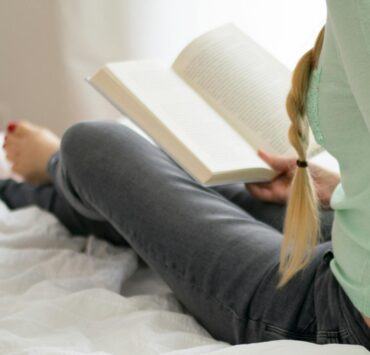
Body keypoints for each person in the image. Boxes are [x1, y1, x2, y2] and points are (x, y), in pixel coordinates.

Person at [1, 0, 369, 349]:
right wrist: (338, 188)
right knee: (201, 181)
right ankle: (56, 191)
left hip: (338, 309)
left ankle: (51, 177)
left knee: (94, 144)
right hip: (347, 247)